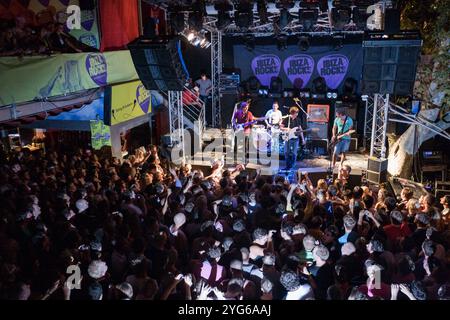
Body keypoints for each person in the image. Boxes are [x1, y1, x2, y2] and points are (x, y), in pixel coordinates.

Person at [281, 106, 306, 170]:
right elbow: (281, 127)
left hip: (295, 139)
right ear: (292, 113)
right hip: (288, 138)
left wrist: (303, 139)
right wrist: (286, 128)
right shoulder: (287, 119)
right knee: (286, 152)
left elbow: (300, 130)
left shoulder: (298, 120)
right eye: (296, 113)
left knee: (294, 153)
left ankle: (292, 166)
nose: (297, 114)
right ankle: (287, 166)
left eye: (297, 113)